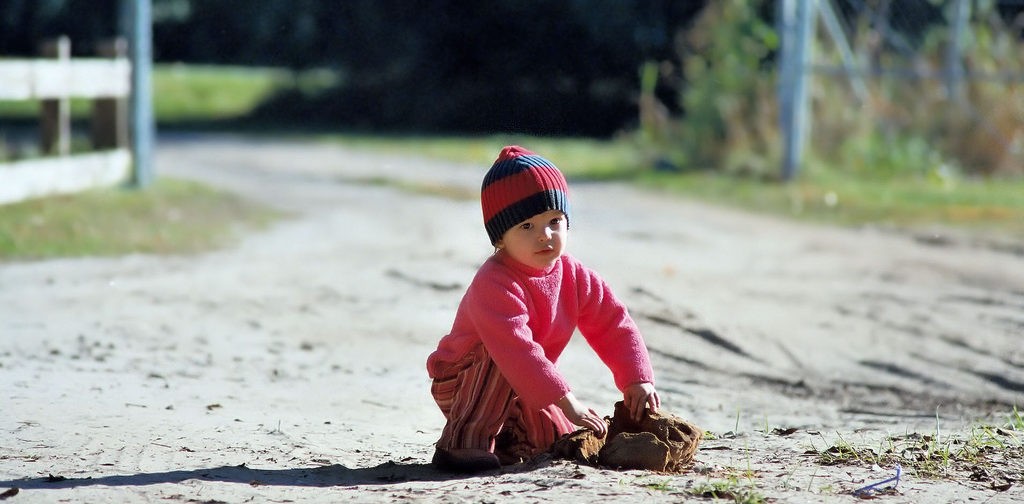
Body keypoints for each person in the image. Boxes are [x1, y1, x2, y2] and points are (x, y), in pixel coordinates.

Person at [426, 145, 661, 472]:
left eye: (554, 221)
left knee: (561, 438)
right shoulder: (495, 282)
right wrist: (569, 402)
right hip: (466, 379)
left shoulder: (575, 275)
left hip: (527, 384)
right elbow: (517, 350)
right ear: (500, 238)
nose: (545, 236)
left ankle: (507, 441)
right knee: (504, 361)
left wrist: (637, 378)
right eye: (526, 227)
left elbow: (613, 323)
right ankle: (465, 440)